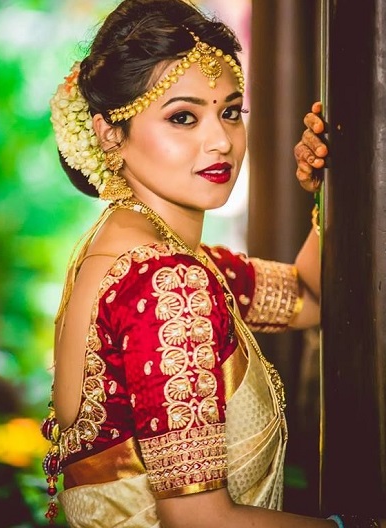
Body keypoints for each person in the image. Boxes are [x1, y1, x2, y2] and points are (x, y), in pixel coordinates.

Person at [40, 1, 383, 527]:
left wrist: (325, 192)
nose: (221, 140)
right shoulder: (162, 281)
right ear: (111, 134)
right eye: (183, 116)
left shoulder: (143, 254)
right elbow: (201, 521)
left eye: (229, 111)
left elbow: (311, 300)